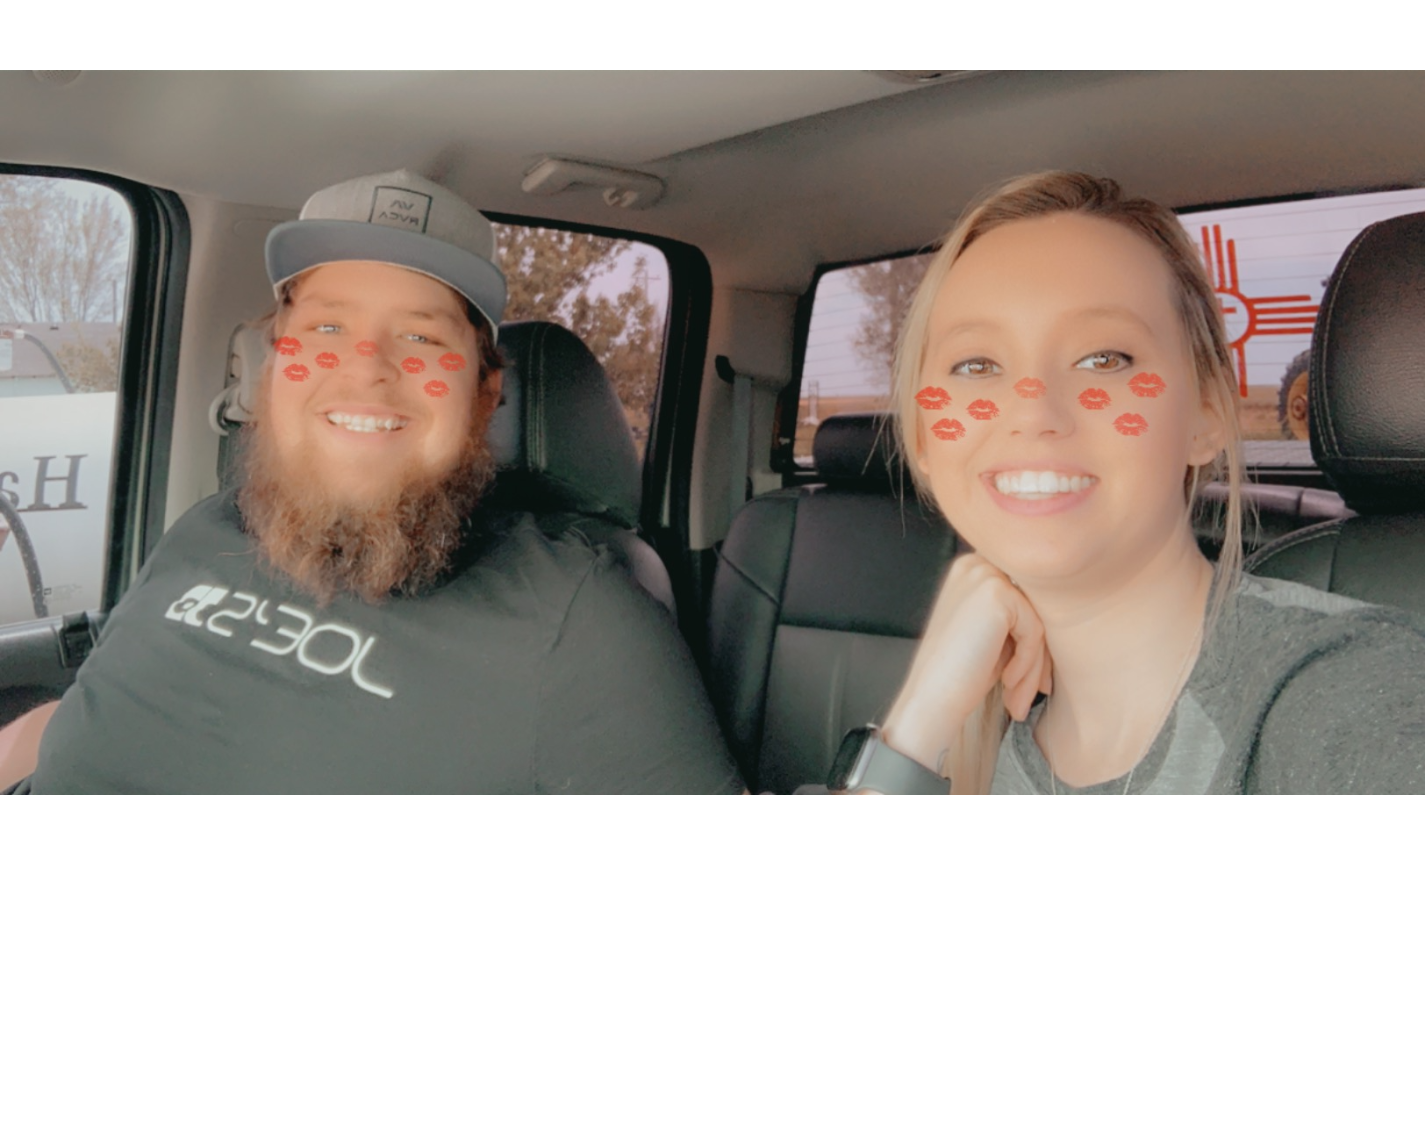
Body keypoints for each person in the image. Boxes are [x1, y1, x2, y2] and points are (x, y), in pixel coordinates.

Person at [4, 170, 741, 793]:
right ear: (274, 368)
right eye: (327, 328)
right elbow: (77, 720)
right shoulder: (205, 526)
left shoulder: (584, 627)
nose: (365, 367)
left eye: (421, 336)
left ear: (484, 394)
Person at [838, 171, 1425, 794]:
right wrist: (918, 724)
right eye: (976, 364)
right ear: (924, 436)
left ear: (1206, 413)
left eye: (1104, 359)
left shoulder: (1350, 694)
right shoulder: (966, 724)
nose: (1032, 412)